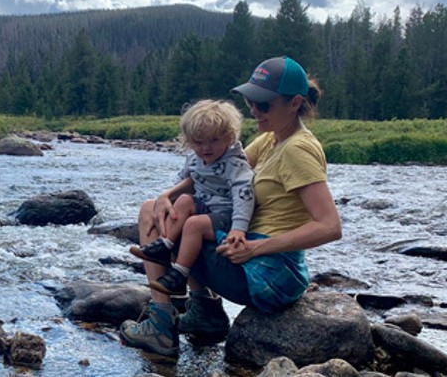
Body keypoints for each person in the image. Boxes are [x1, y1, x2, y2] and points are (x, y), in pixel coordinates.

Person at [120, 56, 342, 357]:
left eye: (263, 105)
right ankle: (205, 313)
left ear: (295, 103)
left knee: (159, 217)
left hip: (268, 273)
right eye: (251, 102)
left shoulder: (298, 150)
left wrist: (255, 248)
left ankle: (161, 326)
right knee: (162, 207)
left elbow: (329, 226)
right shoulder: (271, 139)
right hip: (255, 262)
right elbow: (215, 171)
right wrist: (167, 194)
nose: (254, 110)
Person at [128, 99, 255, 299]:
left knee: (194, 224)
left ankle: (180, 272)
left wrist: (238, 227)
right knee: (184, 201)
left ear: (229, 137)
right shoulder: (194, 160)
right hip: (204, 207)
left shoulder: (234, 164)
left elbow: (244, 196)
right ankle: (165, 246)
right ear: (189, 140)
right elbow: (181, 182)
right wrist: (167, 199)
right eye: (198, 142)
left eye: (214, 140)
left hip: (225, 214)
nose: (206, 148)